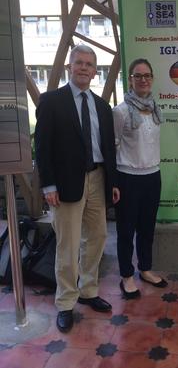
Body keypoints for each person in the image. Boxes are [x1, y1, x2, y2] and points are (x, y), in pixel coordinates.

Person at [35, 44, 120, 332]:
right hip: (65, 184)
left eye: (89, 64)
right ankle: (65, 302)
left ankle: (89, 291)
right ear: (70, 67)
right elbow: (42, 147)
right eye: (79, 63)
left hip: (97, 178)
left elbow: (108, 149)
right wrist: (48, 185)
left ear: (96, 71)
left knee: (97, 236)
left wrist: (113, 183)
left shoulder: (101, 106)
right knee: (68, 244)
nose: (84, 68)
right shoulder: (51, 101)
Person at [113, 58, 167, 299]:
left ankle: (145, 268)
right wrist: (113, 183)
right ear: (130, 80)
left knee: (147, 228)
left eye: (147, 75)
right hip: (127, 179)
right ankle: (126, 275)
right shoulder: (121, 111)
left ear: (152, 78)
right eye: (138, 75)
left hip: (152, 177)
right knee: (126, 231)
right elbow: (112, 148)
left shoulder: (155, 108)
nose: (143, 79)